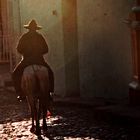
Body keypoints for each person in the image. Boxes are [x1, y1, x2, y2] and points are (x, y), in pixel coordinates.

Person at [12, 19, 54, 101]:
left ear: (29, 28)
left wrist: (26, 52)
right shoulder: (40, 37)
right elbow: (46, 49)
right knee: (50, 73)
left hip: (26, 61)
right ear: (35, 28)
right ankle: (49, 92)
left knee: (15, 74)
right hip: (39, 60)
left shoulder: (24, 37)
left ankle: (20, 93)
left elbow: (19, 49)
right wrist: (39, 52)